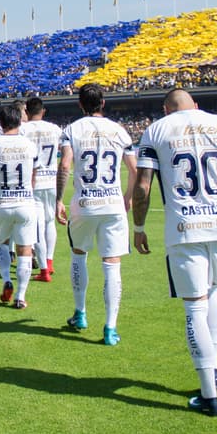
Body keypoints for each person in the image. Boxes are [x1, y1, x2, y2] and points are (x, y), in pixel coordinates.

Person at [132, 88, 217, 417]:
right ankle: (213, 369)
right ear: (196, 105)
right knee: (215, 292)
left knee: (194, 306)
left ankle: (209, 395)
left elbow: (142, 187)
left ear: (165, 109)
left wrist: (139, 226)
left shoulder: (157, 129)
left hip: (185, 226)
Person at [55, 83, 137, 346]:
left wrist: (59, 199)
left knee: (79, 254)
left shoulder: (72, 130)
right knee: (112, 264)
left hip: (85, 203)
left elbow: (65, 165)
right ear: (103, 103)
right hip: (112, 203)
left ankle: (80, 313)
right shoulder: (119, 130)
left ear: (80, 104)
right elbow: (134, 170)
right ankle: (110, 328)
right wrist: (128, 196)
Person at [0, 105, 40, 308]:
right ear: (19, 122)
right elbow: (34, 175)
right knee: (25, 249)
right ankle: (20, 296)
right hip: (25, 202)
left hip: (2, 202)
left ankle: (7, 279)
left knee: (1, 243)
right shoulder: (30, 144)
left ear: (1, 123)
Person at [18, 96, 63, 282]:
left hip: (33, 181)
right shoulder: (55, 129)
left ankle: (44, 269)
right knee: (49, 222)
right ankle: (49, 262)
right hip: (52, 180)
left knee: (37, 227)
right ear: (43, 111)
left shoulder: (22, 130)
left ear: (26, 112)